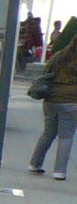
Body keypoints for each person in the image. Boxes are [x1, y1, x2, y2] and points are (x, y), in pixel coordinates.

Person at [28, 31, 77, 178]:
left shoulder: (59, 56)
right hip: (72, 102)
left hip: (51, 100)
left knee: (48, 133)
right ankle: (59, 172)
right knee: (66, 137)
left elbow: (45, 73)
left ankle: (34, 164)